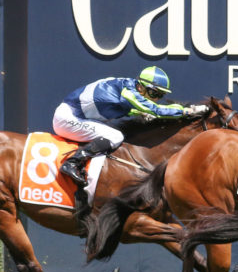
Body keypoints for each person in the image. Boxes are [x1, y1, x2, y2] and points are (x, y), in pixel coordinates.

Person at [52, 66, 208, 191]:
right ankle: (72, 163)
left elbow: (121, 106)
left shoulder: (127, 86)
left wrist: (138, 112)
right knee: (115, 137)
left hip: (79, 116)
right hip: (68, 118)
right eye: (154, 93)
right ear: (141, 87)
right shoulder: (129, 93)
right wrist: (188, 111)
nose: (155, 98)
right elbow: (155, 109)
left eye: (160, 95)